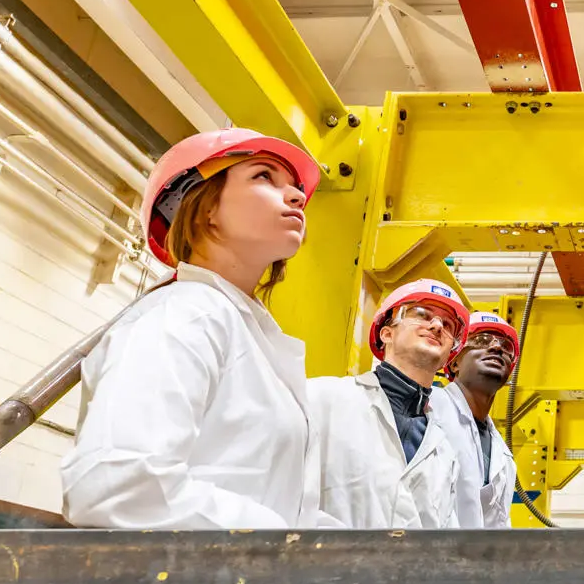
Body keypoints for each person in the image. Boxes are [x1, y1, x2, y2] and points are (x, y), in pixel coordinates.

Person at [61, 128, 336, 529]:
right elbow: (116, 485)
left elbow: (281, 503)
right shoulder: (186, 315)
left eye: (295, 187)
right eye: (264, 176)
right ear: (203, 206)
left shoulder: (250, 334)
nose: (296, 196)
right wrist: (284, 544)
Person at [308, 280, 468, 528]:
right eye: (422, 314)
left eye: (448, 325)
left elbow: (444, 539)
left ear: (450, 355)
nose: (437, 325)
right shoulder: (321, 398)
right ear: (387, 333)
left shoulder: (444, 451)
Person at [434, 311, 520, 529]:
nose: (497, 348)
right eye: (481, 340)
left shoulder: (504, 455)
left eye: (506, 347)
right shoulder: (428, 409)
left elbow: (498, 525)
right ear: (453, 363)